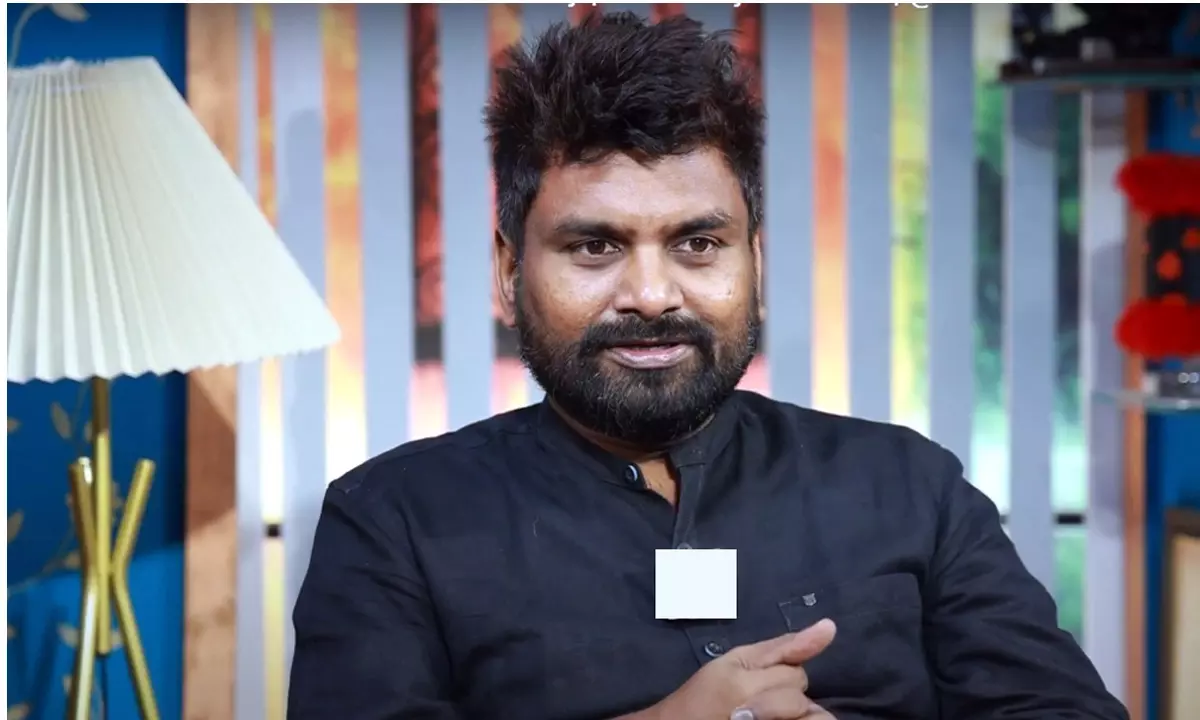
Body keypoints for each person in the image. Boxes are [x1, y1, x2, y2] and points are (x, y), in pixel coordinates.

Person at [288, 13, 1129, 720]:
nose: (653, 295)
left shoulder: (911, 487)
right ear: (509, 271)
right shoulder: (393, 521)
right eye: (594, 246)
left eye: (697, 243)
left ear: (753, 260)